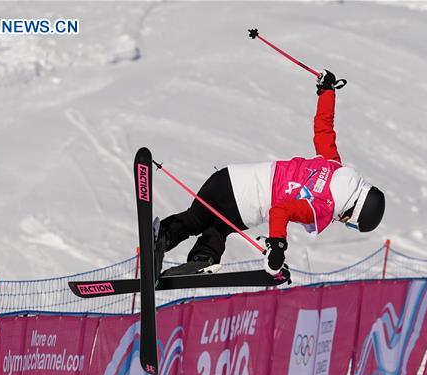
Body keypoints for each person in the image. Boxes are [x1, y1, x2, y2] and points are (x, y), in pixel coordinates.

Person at [154, 70, 385, 277]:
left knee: (202, 222)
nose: (341, 221)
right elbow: (280, 209)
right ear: (353, 210)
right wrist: (277, 246)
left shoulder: (333, 165)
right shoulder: (324, 205)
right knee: (211, 225)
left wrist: (327, 92)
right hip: (244, 203)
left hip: (227, 178)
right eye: (348, 221)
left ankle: (188, 252)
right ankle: (178, 247)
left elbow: (324, 128)